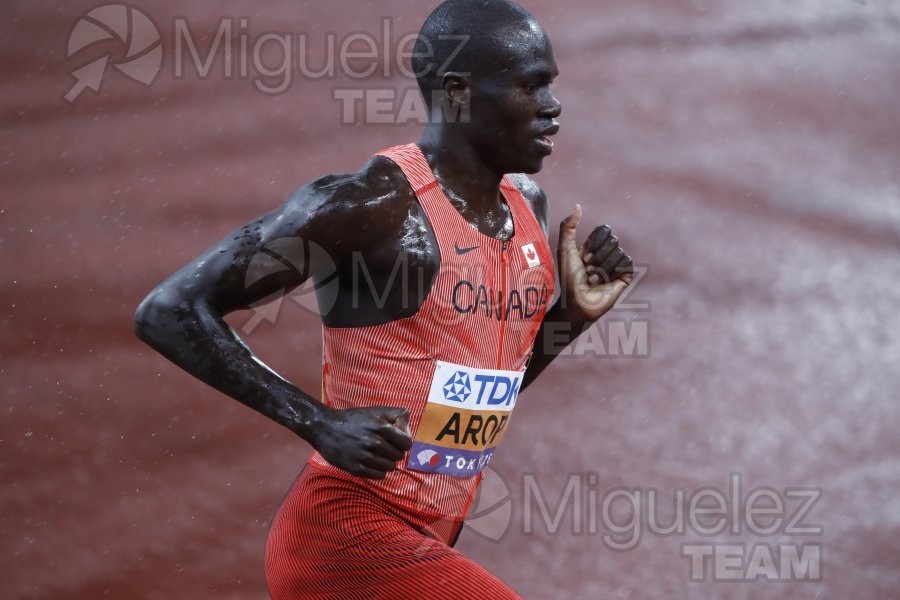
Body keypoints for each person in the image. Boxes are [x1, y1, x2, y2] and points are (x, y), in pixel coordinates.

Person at [134, 0, 633, 597]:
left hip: (432, 534)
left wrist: (568, 319)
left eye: (551, 85)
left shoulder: (527, 207)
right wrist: (316, 421)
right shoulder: (367, 209)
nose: (553, 107)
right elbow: (169, 309)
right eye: (531, 86)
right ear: (457, 93)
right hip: (344, 538)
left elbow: (483, 389)